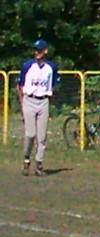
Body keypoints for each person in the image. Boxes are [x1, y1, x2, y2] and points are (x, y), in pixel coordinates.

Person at [18, 39, 59, 176]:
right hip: (29, 100)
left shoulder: (51, 67)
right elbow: (20, 85)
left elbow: (52, 85)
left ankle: (39, 164)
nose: (37, 53)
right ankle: (26, 159)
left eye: (40, 50)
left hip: (43, 101)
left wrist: (49, 100)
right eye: (36, 50)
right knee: (30, 134)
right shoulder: (28, 65)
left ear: (45, 51)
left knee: (42, 136)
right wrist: (22, 103)